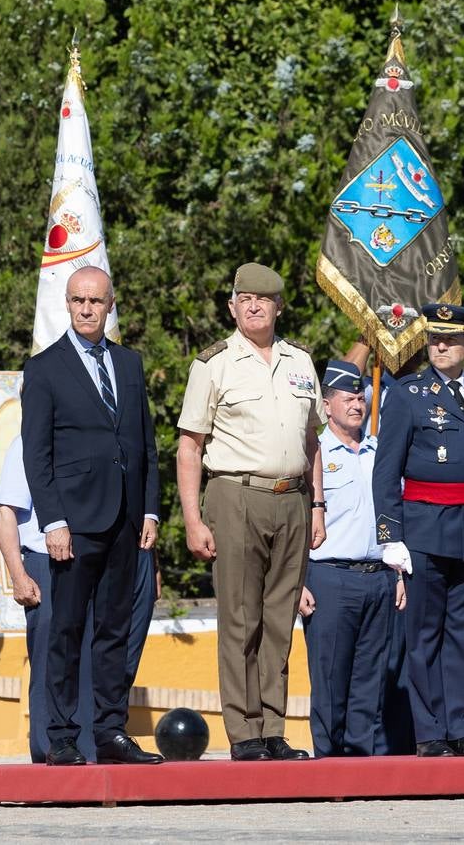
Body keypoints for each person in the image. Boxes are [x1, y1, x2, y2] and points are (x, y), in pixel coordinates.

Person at [177, 262, 326, 762]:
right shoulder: (214, 363)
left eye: (263, 299)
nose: (254, 306)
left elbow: (313, 440)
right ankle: (244, 733)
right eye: (245, 299)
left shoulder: (300, 362)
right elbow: (190, 446)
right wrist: (194, 520)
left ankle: (273, 727)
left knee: (280, 619)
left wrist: (319, 505)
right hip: (235, 494)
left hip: (293, 497)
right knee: (241, 619)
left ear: (279, 307)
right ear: (232, 306)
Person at [21, 266, 163, 766]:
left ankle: (109, 730)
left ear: (109, 305)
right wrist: (52, 521)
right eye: (78, 300)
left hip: (125, 519)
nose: (86, 309)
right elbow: (36, 456)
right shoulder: (44, 368)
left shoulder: (129, 363)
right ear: (67, 303)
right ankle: (61, 733)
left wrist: (149, 508)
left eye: (95, 301)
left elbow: (144, 443)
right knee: (67, 629)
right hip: (75, 525)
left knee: (114, 630)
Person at [373, 303, 464, 758]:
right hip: (424, 528)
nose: (440, 346)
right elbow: (385, 470)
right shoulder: (407, 393)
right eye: (435, 338)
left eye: (451, 339)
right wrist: (389, 535)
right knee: (425, 635)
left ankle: (460, 729)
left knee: (462, 635)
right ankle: (430, 733)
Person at [299, 359, 404, 757]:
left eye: (361, 397)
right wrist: (299, 581)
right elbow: (298, 521)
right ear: (327, 405)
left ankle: (361, 762)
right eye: (347, 398)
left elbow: (394, 517)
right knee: (330, 676)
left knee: (369, 677)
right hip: (330, 576)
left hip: (377, 575)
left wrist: (396, 574)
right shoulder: (314, 453)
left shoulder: (381, 452)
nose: (357, 405)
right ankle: (328, 760)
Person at [0, 433, 94, 763]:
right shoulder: (27, 442)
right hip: (43, 562)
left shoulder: (80, 436)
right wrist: (18, 575)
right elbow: (4, 511)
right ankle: (47, 748)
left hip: (84, 561)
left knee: (88, 657)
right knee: (50, 659)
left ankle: (86, 747)